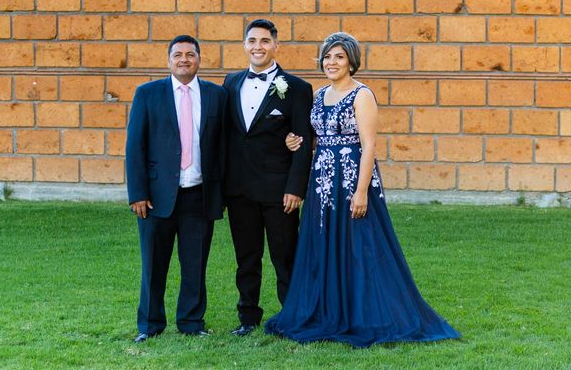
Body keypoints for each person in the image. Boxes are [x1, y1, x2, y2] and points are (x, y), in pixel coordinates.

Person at [265, 32, 460, 347]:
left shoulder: (362, 95)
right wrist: (296, 142)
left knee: (360, 246)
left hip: (353, 179)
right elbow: (318, 138)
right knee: (324, 244)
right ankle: (328, 310)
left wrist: (361, 192)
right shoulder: (319, 95)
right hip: (323, 183)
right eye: (328, 56)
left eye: (339, 57)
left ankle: (365, 313)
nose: (332, 62)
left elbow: (368, 146)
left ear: (351, 61)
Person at [126, 35, 227, 342]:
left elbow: (222, 147)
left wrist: (219, 194)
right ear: (168, 60)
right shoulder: (147, 93)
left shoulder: (215, 95)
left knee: (195, 265)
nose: (185, 59)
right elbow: (135, 146)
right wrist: (138, 193)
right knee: (154, 265)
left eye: (191, 54)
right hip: (156, 198)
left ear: (199, 59)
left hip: (199, 194)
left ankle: (192, 322)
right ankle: (150, 325)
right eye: (178, 55)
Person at [223, 19, 314, 337]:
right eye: (252, 41)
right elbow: (229, 137)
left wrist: (295, 188)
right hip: (240, 191)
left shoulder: (298, 88)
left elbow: (303, 143)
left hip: (279, 191)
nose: (258, 46)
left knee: (285, 258)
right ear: (244, 45)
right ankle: (248, 317)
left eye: (264, 41)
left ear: (276, 45)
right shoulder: (231, 82)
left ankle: (292, 316)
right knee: (246, 258)